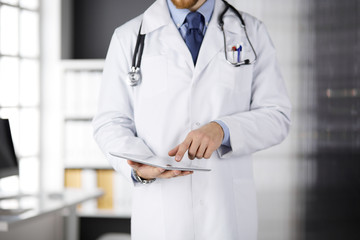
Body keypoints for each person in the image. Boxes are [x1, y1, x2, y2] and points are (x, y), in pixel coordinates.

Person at [92, 0, 291, 239]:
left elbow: (277, 115)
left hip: (225, 215)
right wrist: (139, 166)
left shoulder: (251, 32)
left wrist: (224, 130)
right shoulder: (129, 37)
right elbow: (109, 122)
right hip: (161, 217)